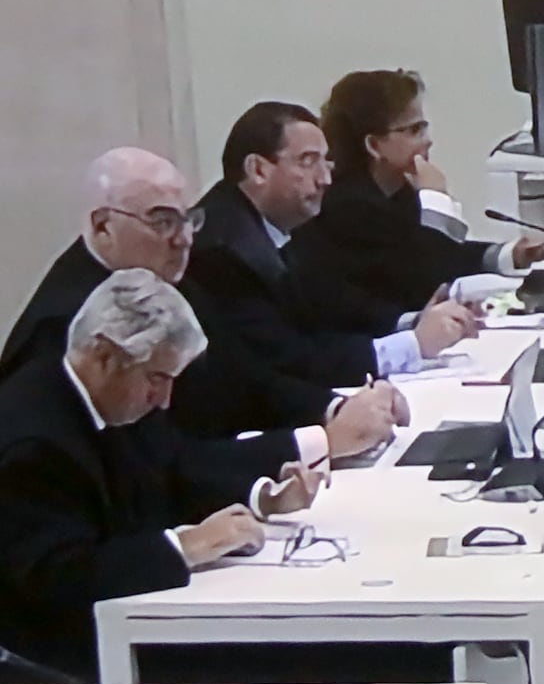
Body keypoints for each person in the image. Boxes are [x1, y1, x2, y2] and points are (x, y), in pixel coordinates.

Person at [0, 270, 319, 681]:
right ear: (104, 356)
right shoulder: (33, 442)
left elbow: (172, 468)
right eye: (157, 378)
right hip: (64, 661)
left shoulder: (114, 398)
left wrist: (264, 499)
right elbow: (59, 578)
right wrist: (186, 546)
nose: (165, 401)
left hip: (131, 625)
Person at [2, 148, 399, 472]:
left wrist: (336, 408)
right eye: (162, 222)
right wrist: (316, 442)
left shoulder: (166, 282)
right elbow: (160, 466)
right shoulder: (71, 326)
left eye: (188, 220)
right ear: (103, 225)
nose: (184, 239)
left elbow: (244, 379)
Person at [188, 102, 478, 436]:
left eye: (326, 162)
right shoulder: (224, 252)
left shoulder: (277, 224)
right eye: (308, 162)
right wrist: (411, 346)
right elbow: (288, 360)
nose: (326, 179)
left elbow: (330, 304)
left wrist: (411, 324)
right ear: (258, 169)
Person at [288, 70, 544, 329]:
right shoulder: (346, 205)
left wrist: (507, 254)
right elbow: (427, 279)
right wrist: (435, 200)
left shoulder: (396, 192)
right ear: (374, 145)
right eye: (414, 130)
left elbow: (430, 254)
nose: (428, 141)